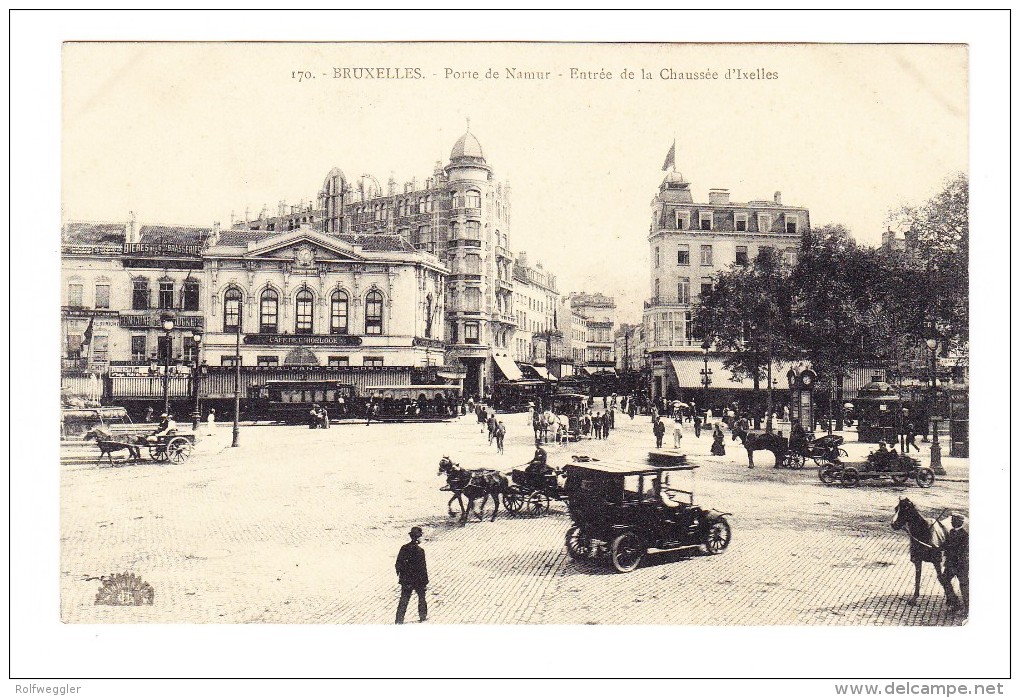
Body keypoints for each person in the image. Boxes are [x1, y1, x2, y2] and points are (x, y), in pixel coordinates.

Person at [395, 527, 428, 624]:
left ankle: (399, 619)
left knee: (404, 599)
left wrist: (401, 575)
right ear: (418, 538)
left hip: (406, 580)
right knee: (421, 598)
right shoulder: (420, 551)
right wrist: (425, 581)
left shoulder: (404, 548)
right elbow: (422, 568)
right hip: (418, 580)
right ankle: (422, 616)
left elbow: (398, 564)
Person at [943, 512, 969, 615]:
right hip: (951, 564)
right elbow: (946, 545)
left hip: (960, 564)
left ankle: (967, 609)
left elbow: (957, 550)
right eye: (951, 521)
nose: (952, 522)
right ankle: (954, 602)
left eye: (954, 521)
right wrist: (937, 547)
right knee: (944, 580)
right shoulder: (952, 532)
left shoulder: (963, 535)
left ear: (959, 522)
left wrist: (945, 548)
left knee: (964, 585)